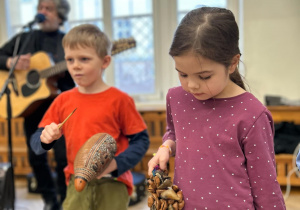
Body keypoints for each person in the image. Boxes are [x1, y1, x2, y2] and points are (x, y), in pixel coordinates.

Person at [148, 7, 286, 209]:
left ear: (232, 63)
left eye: (204, 76)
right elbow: (174, 133)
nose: (192, 85)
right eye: (182, 74)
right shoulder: (176, 98)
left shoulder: (253, 115)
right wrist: (166, 147)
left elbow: (266, 188)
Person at [30, 24, 150, 210]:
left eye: (84, 59)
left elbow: (141, 141)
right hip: (76, 183)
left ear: (105, 61)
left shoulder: (120, 100)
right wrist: (45, 139)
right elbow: (36, 142)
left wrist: (117, 164)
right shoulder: (62, 100)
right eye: (70, 60)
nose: (75, 66)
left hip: (113, 183)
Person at [0, 0, 74, 209]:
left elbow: (74, 80)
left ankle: (63, 200)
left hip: (60, 109)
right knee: (36, 159)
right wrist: (9, 63)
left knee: (62, 159)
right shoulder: (26, 37)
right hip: (32, 110)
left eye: (48, 9)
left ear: (60, 16)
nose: (42, 12)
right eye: (40, 8)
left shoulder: (67, 41)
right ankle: (49, 201)